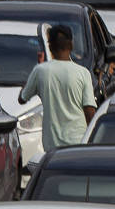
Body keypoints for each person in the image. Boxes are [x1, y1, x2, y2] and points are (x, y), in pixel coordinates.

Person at [20, 24, 99, 152]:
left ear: (50, 46)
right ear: (71, 45)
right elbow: (90, 111)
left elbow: (22, 98)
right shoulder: (83, 73)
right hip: (78, 143)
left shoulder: (40, 71)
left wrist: (32, 78)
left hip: (52, 146)